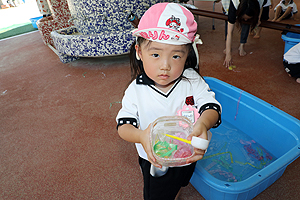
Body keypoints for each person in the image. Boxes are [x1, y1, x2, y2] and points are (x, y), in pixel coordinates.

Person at [116, 3, 222, 200]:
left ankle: (177, 191)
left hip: (187, 155)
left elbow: (211, 106)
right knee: (156, 195)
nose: (165, 66)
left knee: (181, 181)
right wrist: (141, 136)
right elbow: (124, 126)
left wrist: (203, 123)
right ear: (139, 52)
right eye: (155, 54)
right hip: (156, 160)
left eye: (175, 56)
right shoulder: (135, 91)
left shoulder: (191, 80)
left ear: (186, 55)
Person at [222, 0, 265, 68]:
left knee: (247, 23)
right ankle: (228, 48)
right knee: (229, 26)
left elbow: (261, 6)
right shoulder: (234, 4)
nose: (245, 20)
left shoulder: (260, 1)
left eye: (248, 18)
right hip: (237, 6)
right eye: (243, 18)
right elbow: (229, 33)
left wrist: (258, 18)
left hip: (255, 5)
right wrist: (228, 54)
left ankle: (242, 45)